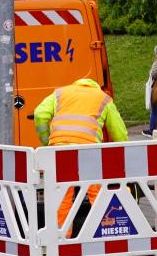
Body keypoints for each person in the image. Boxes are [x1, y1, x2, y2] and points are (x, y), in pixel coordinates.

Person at [34, 76, 127, 233]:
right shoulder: (103, 98)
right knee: (97, 193)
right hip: (89, 152)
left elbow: (40, 114)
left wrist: (47, 141)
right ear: (96, 87)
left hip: (60, 151)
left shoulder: (61, 93)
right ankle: (104, 234)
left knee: (61, 196)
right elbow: (119, 133)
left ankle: (60, 239)